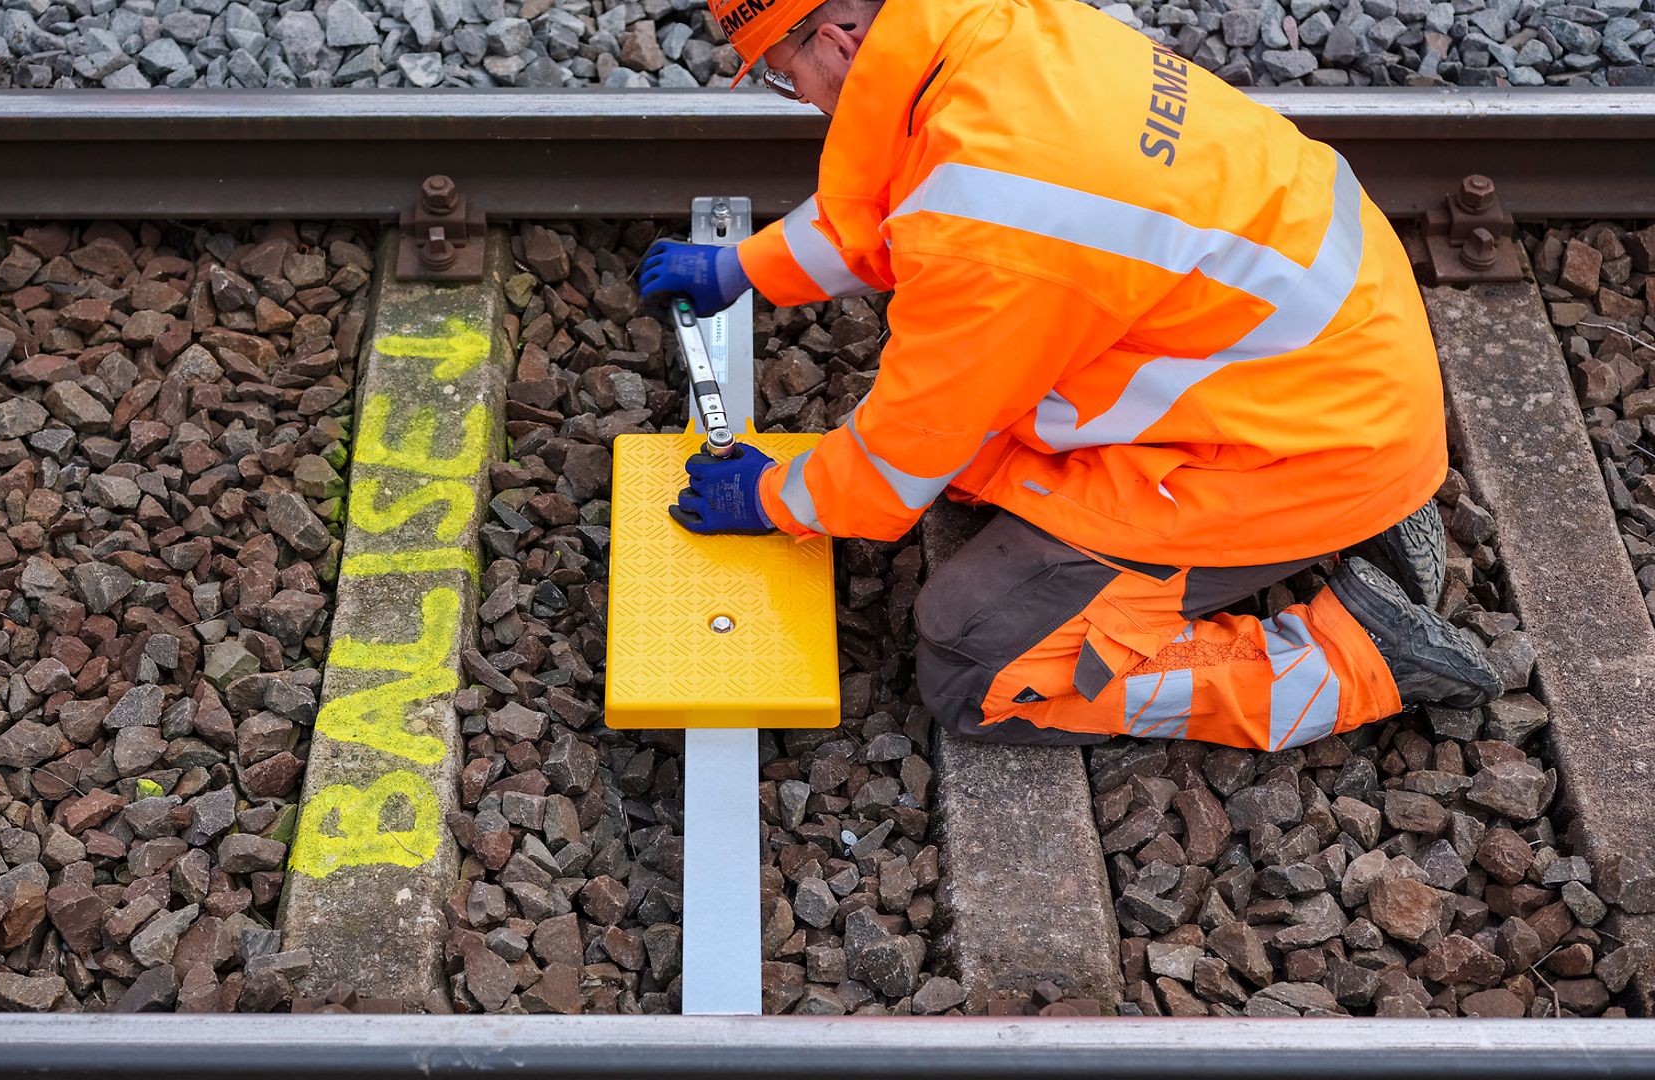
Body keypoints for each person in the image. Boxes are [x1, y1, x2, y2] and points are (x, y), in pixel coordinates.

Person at [637, 0, 1500, 751]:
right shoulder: (989, 30)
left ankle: (1359, 658)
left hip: (1300, 446)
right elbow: (895, 196)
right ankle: (1365, 519)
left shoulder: (991, 219)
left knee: (971, 659)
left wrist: (779, 501)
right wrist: (748, 269)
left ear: (835, 39)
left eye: (787, 76)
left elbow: (908, 448)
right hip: (1333, 371)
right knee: (986, 438)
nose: (802, 99)